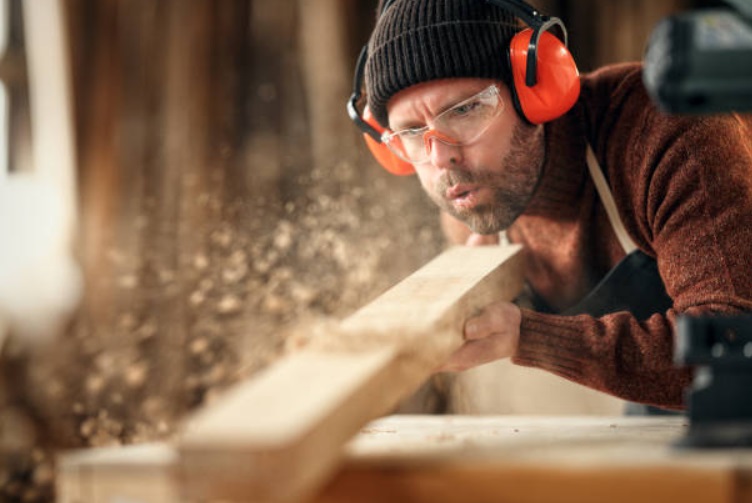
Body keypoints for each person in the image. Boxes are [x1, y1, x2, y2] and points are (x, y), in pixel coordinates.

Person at [347, 0, 752, 412]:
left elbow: (732, 351)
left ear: (535, 90)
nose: (441, 158)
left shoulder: (666, 137)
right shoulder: (471, 202)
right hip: (669, 404)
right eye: (412, 132)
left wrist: (528, 336)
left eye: (466, 109)